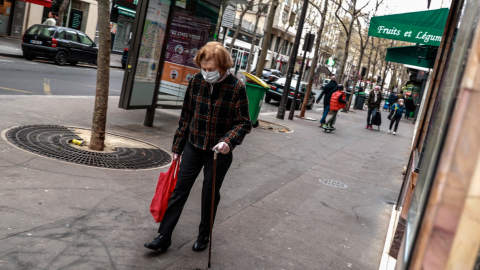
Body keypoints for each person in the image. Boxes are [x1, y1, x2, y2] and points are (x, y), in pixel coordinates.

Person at [144, 42, 252, 252]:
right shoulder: (196, 82)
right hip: (194, 144)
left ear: (222, 66)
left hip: (218, 151)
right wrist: (177, 147)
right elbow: (186, 116)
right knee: (179, 190)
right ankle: (164, 235)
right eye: (203, 68)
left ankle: (204, 235)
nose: (206, 73)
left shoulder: (236, 87)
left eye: (211, 70)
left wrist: (228, 141)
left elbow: (243, 122)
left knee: (210, 194)